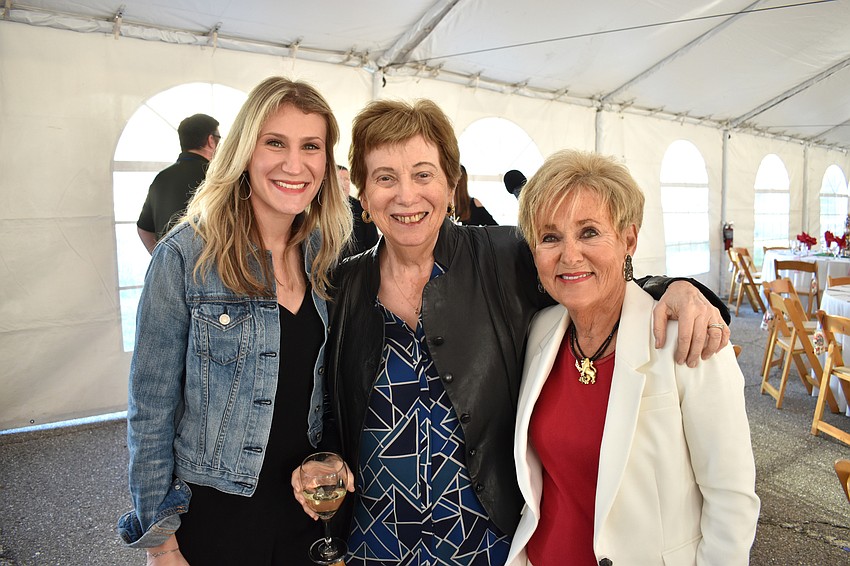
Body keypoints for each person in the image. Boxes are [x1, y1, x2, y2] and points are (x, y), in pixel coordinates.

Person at [308, 99, 731, 565]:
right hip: (378, 544)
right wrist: (325, 458)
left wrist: (676, 288)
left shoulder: (504, 256)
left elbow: (583, 276)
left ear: (451, 185)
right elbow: (331, 408)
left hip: (485, 546)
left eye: (424, 174)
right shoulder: (342, 285)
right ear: (363, 195)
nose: (406, 195)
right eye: (386, 177)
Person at [117, 77, 352, 565]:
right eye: (275, 143)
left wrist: (328, 455)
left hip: (303, 519)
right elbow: (150, 408)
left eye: (311, 146)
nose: (295, 164)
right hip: (215, 519)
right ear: (244, 151)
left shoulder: (326, 257)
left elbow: (326, 394)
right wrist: (161, 545)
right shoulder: (186, 256)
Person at [507, 150, 759, 565]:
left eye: (589, 232)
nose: (569, 255)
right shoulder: (541, 332)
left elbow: (731, 501)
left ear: (628, 239)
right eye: (550, 237)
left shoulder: (689, 339)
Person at [136, 113, 221, 253]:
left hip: (169, 271)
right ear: (211, 140)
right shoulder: (216, 178)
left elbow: (144, 229)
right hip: (207, 270)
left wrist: (162, 259)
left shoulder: (161, 178)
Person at [339, 164, 379, 257]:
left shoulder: (362, 207)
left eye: (347, 179)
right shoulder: (321, 209)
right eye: (340, 179)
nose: (345, 183)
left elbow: (373, 242)